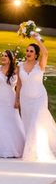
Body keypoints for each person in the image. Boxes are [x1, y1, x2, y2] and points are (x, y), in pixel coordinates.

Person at [17, 34, 56, 162]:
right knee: (28, 123)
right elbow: (19, 83)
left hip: (39, 98)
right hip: (25, 98)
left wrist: (36, 39)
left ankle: (35, 151)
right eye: (27, 50)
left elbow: (45, 53)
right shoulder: (20, 66)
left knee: (36, 122)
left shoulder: (40, 65)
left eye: (31, 51)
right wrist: (17, 99)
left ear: (36, 54)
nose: (28, 53)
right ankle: (29, 147)